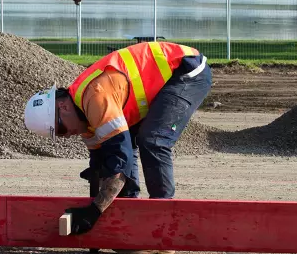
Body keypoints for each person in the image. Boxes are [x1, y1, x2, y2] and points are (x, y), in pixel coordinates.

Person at [24, 41, 212, 236]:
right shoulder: (83, 117)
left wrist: (94, 212)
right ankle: (130, 220)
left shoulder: (95, 98)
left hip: (185, 71)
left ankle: (163, 227)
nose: (65, 136)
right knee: (124, 147)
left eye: (60, 129)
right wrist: (98, 174)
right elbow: (104, 158)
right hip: (159, 82)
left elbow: (120, 162)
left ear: (62, 107)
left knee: (153, 139)